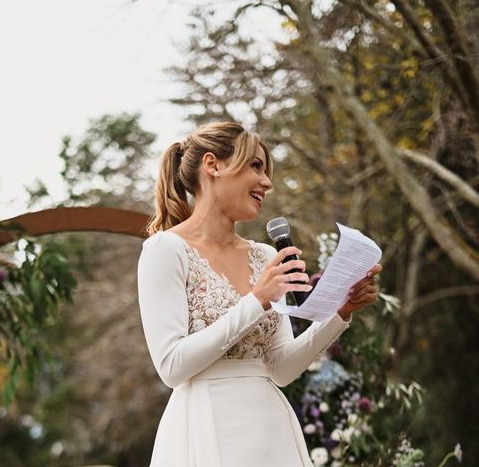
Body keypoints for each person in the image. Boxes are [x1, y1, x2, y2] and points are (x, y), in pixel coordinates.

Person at [136, 122, 382, 466]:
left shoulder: (265, 255)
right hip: (207, 428)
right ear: (213, 165)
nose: (267, 182)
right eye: (256, 166)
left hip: (271, 430)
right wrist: (256, 300)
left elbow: (280, 368)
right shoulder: (165, 250)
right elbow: (172, 367)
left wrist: (341, 312)